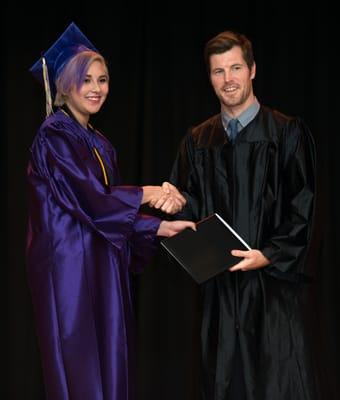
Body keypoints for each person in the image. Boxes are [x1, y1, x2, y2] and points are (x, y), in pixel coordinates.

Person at [26, 22, 195, 400]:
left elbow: (112, 211)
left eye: (103, 80)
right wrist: (150, 193)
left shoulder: (100, 142)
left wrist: (159, 229)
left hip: (103, 264)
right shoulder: (54, 135)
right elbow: (92, 198)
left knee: (112, 365)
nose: (96, 89)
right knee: (80, 367)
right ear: (67, 85)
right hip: (68, 271)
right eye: (86, 80)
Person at [169, 30, 317, 400]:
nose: (228, 79)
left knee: (275, 385)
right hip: (219, 294)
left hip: (272, 292)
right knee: (221, 384)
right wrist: (174, 204)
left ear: (252, 70)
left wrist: (269, 254)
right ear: (210, 77)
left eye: (235, 68)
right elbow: (189, 208)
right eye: (218, 71)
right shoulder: (197, 140)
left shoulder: (285, 133)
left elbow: (304, 205)